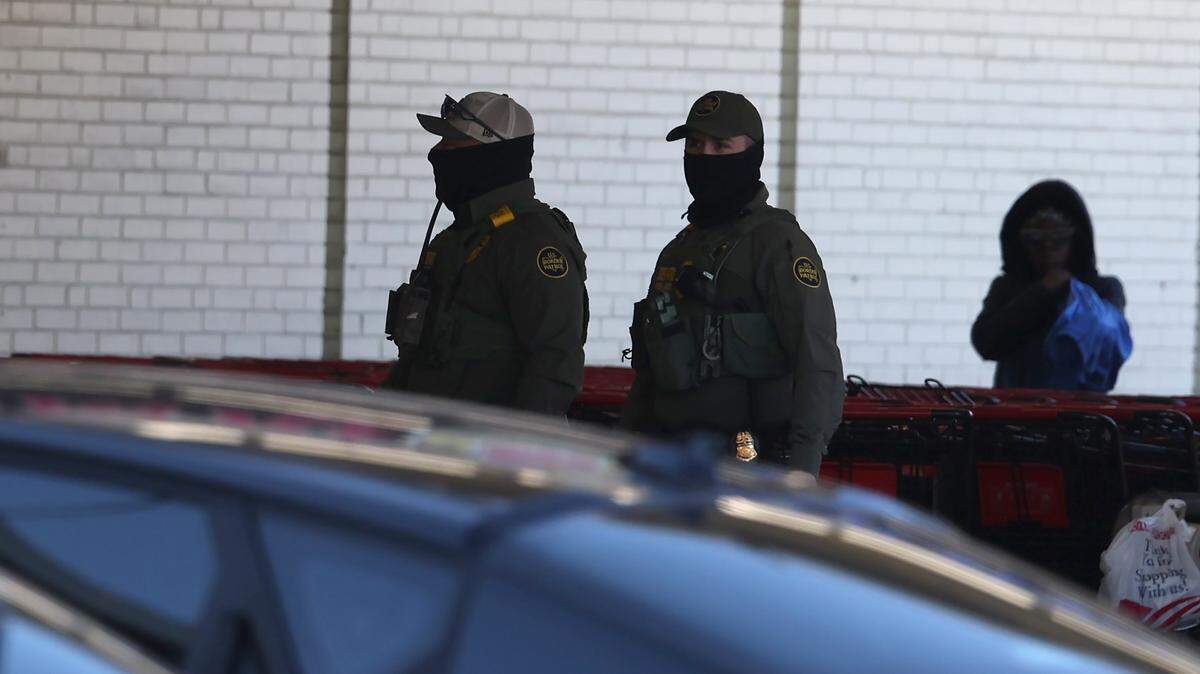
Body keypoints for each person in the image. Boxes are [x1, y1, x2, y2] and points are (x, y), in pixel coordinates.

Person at [620, 90, 844, 476]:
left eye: (721, 146)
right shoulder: (679, 250)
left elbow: (817, 362)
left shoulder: (777, 244)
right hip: (670, 461)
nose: (705, 157)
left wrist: (803, 469)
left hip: (748, 466)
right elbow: (652, 370)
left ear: (752, 155)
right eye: (695, 145)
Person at [381, 92, 589, 415]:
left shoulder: (532, 241)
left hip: (490, 453)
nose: (437, 153)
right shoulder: (452, 242)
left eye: (452, 142)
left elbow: (555, 366)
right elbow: (417, 358)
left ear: (493, 156)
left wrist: (512, 452)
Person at [971, 179, 1130, 390]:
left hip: (1081, 414)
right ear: (1021, 244)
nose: (1047, 250)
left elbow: (1107, 344)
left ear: (1075, 241)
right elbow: (986, 343)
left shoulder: (1103, 289)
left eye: (1058, 240)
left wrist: (1071, 293)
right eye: (1036, 241)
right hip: (1015, 413)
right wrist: (1042, 292)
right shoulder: (1008, 288)